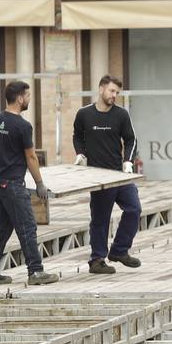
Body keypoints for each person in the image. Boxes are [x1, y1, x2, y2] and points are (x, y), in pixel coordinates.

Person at [0, 81, 57, 286]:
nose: (29, 99)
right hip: (14, 185)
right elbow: (31, 157)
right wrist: (39, 183)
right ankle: (36, 271)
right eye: (28, 96)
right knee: (27, 226)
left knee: (3, 227)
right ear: (20, 98)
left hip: (1, 184)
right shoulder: (23, 126)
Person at [73, 75, 141, 274]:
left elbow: (131, 139)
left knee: (134, 209)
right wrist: (80, 154)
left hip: (119, 175)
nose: (115, 95)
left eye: (117, 93)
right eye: (112, 91)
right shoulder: (84, 113)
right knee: (100, 218)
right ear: (101, 88)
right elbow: (77, 136)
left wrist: (128, 161)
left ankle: (119, 250)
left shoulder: (121, 115)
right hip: (98, 175)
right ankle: (97, 260)